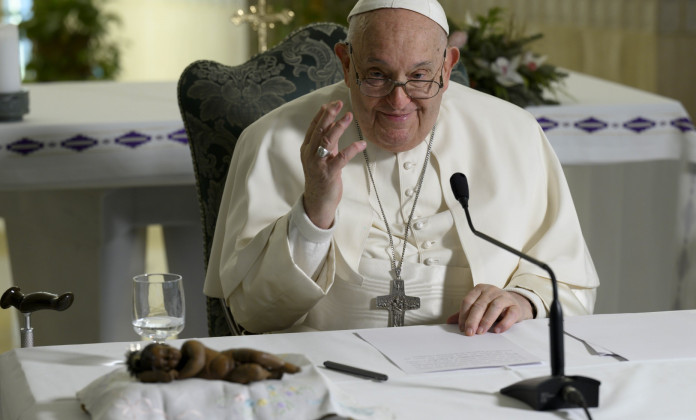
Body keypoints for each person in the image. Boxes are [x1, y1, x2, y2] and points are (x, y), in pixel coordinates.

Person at [203, 0, 599, 335]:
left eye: (420, 77)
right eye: (376, 76)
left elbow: (567, 279)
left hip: (481, 366)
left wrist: (522, 300)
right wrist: (313, 212)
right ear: (346, 63)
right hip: (330, 366)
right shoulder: (274, 138)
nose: (399, 101)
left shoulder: (515, 134)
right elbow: (252, 314)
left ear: (447, 66)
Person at [126, 340, 300, 384]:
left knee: (257, 356)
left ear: (165, 344)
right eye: (164, 363)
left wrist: (178, 375)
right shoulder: (175, 372)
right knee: (253, 371)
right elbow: (142, 378)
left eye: (165, 352)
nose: (170, 357)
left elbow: (198, 362)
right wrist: (160, 375)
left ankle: (283, 365)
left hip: (232, 356)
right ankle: (270, 374)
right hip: (229, 375)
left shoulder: (189, 346)